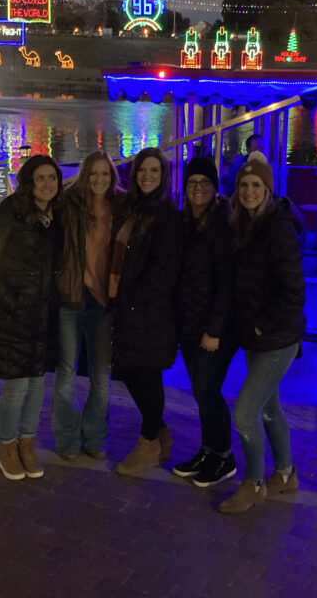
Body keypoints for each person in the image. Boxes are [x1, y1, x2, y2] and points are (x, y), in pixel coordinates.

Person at [220, 151, 305, 514]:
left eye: (256, 185)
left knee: (244, 414)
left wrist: (261, 323)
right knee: (269, 409)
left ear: (268, 190)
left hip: (276, 337)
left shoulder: (278, 230)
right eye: (243, 185)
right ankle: (285, 475)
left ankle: (254, 483)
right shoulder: (243, 225)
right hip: (257, 336)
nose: (249, 191)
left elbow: (294, 292)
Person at [0, 154, 63, 481]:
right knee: (17, 387)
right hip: (14, 314)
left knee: (37, 384)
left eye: (52, 177)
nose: (47, 184)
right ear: (27, 181)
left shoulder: (55, 215)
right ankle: (7, 448)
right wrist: (10, 301)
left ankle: (28, 443)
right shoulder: (10, 212)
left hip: (42, 315)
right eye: (40, 178)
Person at [109, 147, 182, 475]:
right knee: (130, 372)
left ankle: (148, 443)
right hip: (129, 307)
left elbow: (165, 268)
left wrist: (132, 296)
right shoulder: (133, 208)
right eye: (142, 170)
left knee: (147, 376)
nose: (147, 176)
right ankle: (161, 434)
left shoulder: (166, 213)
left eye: (154, 170)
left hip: (149, 311)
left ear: (163, 175)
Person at [52, 150, 123, 462]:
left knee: (100, 378)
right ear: (84, 175)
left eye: (104, 174)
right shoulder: (68, 203)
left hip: (104, 301)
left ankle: (94, 438)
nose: (98, 180)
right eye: (93, 174)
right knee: (65, 374)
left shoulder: (120, 206)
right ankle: (67, 439)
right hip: (71, 297)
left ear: (112, 177)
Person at [172, 156, 237, 488]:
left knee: (208, 390)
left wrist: (214, 330)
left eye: (204, 183)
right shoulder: (185, 222)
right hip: (188, 322)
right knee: (201, 391)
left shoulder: (220, 225)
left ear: (214, 187)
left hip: (212, 328)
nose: (197, 189)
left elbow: (226, 283)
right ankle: (208, 449)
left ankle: (224, 456)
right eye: (192, 183)